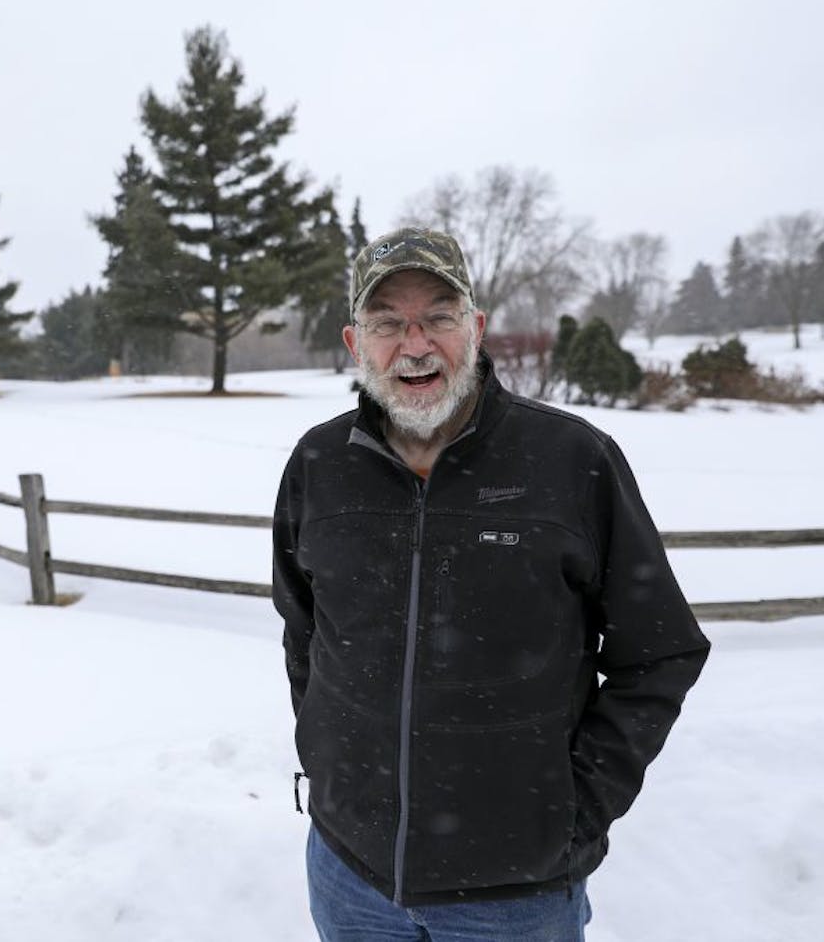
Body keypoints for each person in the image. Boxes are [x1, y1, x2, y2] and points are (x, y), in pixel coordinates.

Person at [272, 227, 710, 941]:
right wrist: (328, 757)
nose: (415, 344)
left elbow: (659, 651)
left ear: (475, 327)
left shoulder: (572, 460)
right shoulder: (320, 464)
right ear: (356, 344)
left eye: (438, 316)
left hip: (513, 896)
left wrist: (577, 804)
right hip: (349, 875)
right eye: (388, 322)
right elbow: (305, 631)